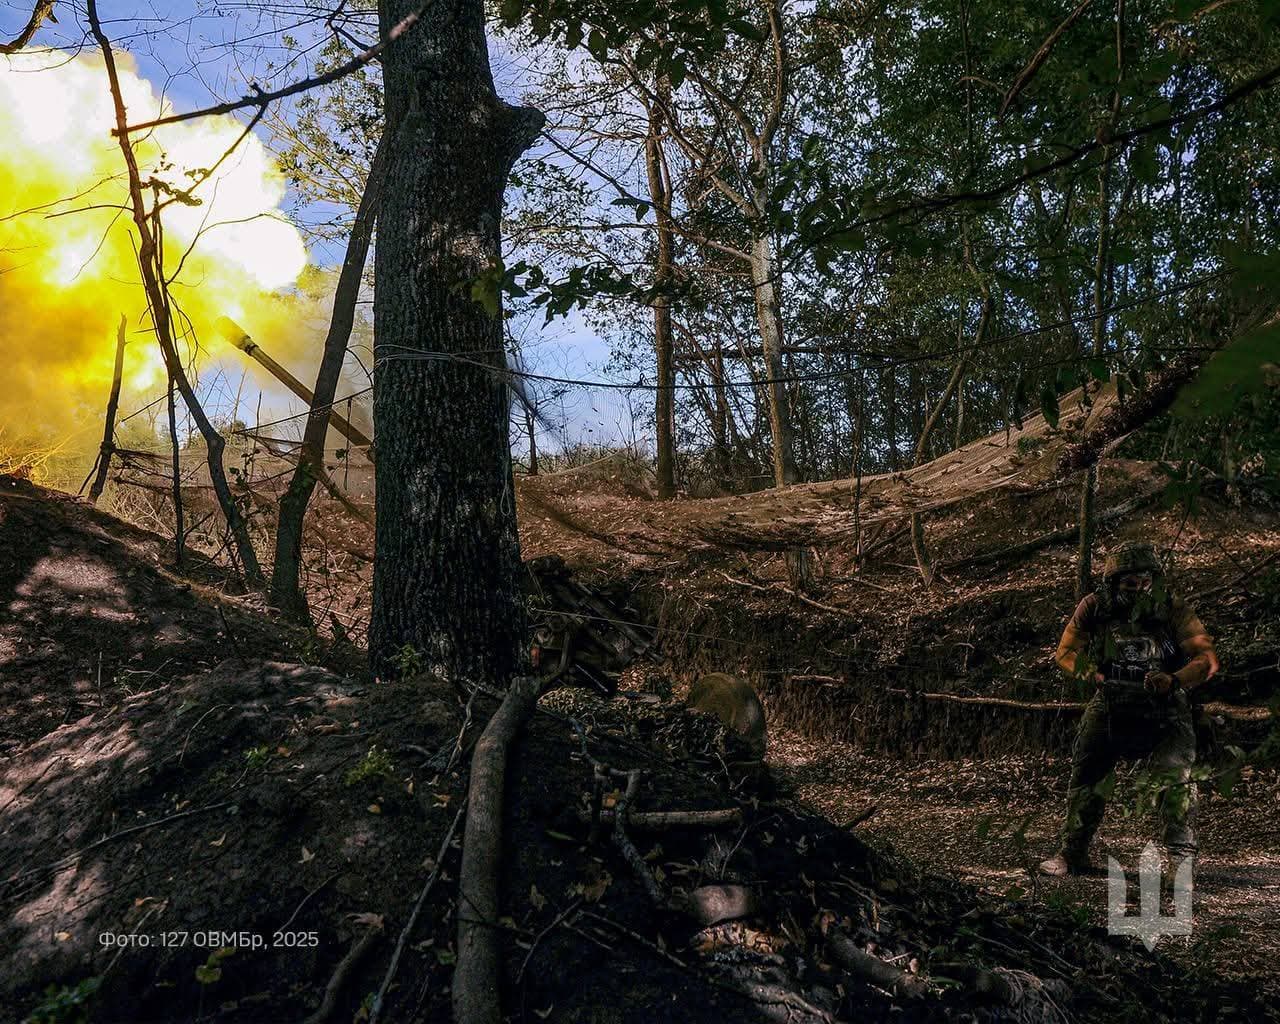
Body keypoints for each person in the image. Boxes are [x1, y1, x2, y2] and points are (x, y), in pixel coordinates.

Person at [1039, 541, 1219, 878]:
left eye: (1145, 581)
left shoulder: (1174, 609)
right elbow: (1065, 651)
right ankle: (1072, 852)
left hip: (1166, 709)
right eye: (1130, 583)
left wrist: (1174, 680)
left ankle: (1181, 863)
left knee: (1176, 780)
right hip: (1111, 703)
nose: (1138, 589)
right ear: (1115, 583)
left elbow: (1206, 660)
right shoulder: (1094, 607)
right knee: (1087, 775)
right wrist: (1092, 673)